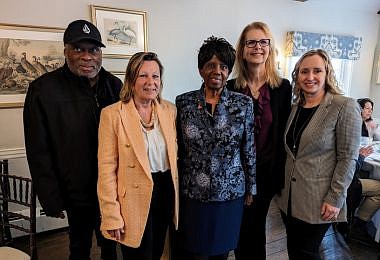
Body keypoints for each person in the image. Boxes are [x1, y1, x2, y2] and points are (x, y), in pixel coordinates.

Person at [23, 19, 122, 260]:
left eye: (94, 50)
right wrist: (51, 199)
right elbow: (38, 150)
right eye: (79, 49)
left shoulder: (114, 85)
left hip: (111, 188)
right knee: (79, 248)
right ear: (66, 50)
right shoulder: (43, 90)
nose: (87, 57)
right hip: (75, 191)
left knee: (112, 245)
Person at [275, 49, 362, 259]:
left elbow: (348, 157)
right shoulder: (296, 107)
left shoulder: (344, 106)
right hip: (289, 199)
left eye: (317, 71)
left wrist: (335, 197)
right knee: (295, 251)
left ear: (327, 73)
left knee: (307, 253)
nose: (310, 77)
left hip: (319, 200)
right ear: (297, 76)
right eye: (304, 71)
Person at [175, 36, 256, 260]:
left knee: (222, 251)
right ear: (201, 69)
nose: (217, 71)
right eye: (211, 65)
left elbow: (248, 148)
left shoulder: (243, 104)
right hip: (193, 192)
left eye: (223, 66)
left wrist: (251, 187)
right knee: (194, 251)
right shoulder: (184, 103)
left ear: (229, 71)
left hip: (230, 191)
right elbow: (179, 149)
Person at [97, 52, 179, 260]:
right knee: (137, 255)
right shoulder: (112, 115)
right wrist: (111, 215)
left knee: (158, 250)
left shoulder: (169, 110)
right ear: (131, 79)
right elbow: (106, 170)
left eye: (156, 76)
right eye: (143, 76)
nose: (151, 82)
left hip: (164, 191)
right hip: (133, 197)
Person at [226, 21, 292, 260]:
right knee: (238, 230)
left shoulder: (283, 88)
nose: (257, 47)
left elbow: (285, 133)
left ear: (270, 47)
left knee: (254, 228)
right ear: (242, 49)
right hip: (234, 174)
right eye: (251, 42)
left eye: (263, 42)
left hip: (265, 174)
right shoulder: (230, 88)